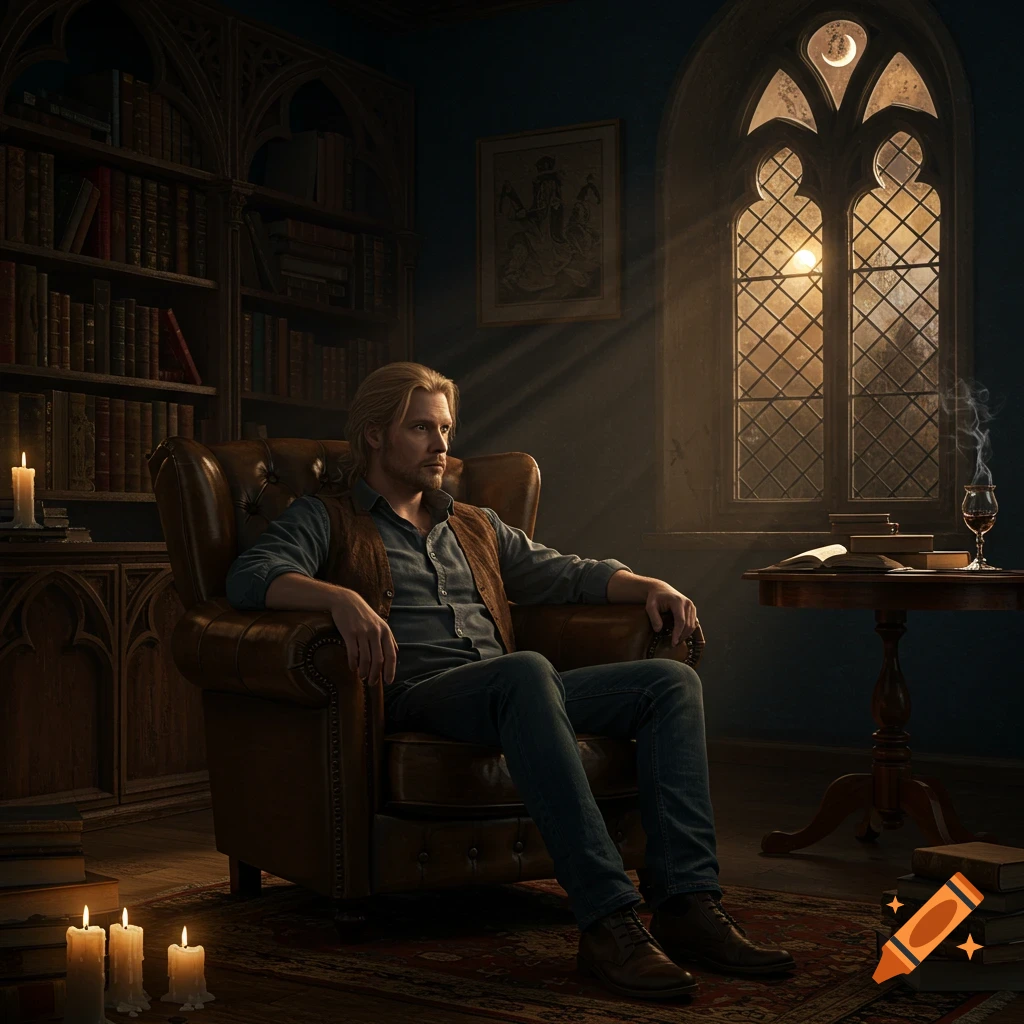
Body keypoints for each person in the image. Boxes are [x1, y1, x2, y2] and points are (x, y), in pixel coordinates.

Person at [225, 362, 795, 1002]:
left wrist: (649, 585)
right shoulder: (327, 518)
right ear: (375, 436)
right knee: (527, 670)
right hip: (419, 697)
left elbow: (565, 573)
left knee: (669, 683)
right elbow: (252, 575)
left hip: (519, 691)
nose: (441, 445)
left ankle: (687, 904)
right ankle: (607, 922)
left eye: (445, 429)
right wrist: (337, 599)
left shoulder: (475, 523)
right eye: (421, 428)